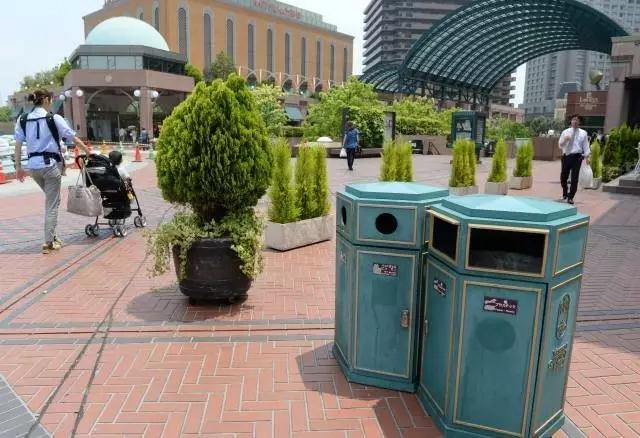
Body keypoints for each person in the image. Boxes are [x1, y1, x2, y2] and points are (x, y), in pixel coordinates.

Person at [13, 88, 89, 254]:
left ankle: (53, 236)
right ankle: (48, 242)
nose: (52, 103)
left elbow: (17, 144)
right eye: (52, 100)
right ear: (46, 99)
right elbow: (72, 137)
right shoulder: (54, 118)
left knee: (52, 200)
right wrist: (87, 151)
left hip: (33, 167)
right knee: (52, 204)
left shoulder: (23, 119)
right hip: (49, 166)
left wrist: (18, 167)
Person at [558, 114, 590, 204]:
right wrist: (565, 140)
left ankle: (571, 197)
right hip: (566, 156)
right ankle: (565, 192)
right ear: (571, 121)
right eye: (573, 120)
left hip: (577, 157)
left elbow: (586, 146)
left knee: (574, 178)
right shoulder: (565, 132)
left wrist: (587, 156)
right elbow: (560, 145)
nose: (575, 121)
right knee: (563, 177)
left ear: (580, 122)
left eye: (577, 120)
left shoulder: (583, 133)